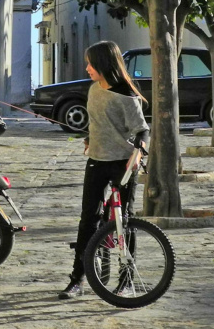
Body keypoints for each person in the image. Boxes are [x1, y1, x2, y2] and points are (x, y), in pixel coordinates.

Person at [58, 40, 149, 300]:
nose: (87, 68)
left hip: (122, 163)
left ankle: (127, 280)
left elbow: (142, 129)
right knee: (88, 220)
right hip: (96, 161)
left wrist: (141, 149)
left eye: (90, 63)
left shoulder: (126, 95)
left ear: (103, 65)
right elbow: (99, 123)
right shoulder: (94, 90)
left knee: (123, 221)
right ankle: (78, 279)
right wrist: (90, 138)